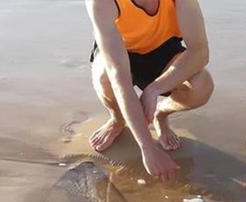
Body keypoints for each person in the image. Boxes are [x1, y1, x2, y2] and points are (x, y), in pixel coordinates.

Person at [86, 0, 214, 183]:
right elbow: (118, 77)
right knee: (104, 75)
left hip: (164, 48)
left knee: (201, 85)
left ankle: (160, 115)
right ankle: (117, 119)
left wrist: (153, 90)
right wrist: (147, 147)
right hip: (122, 51)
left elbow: (199, 52)